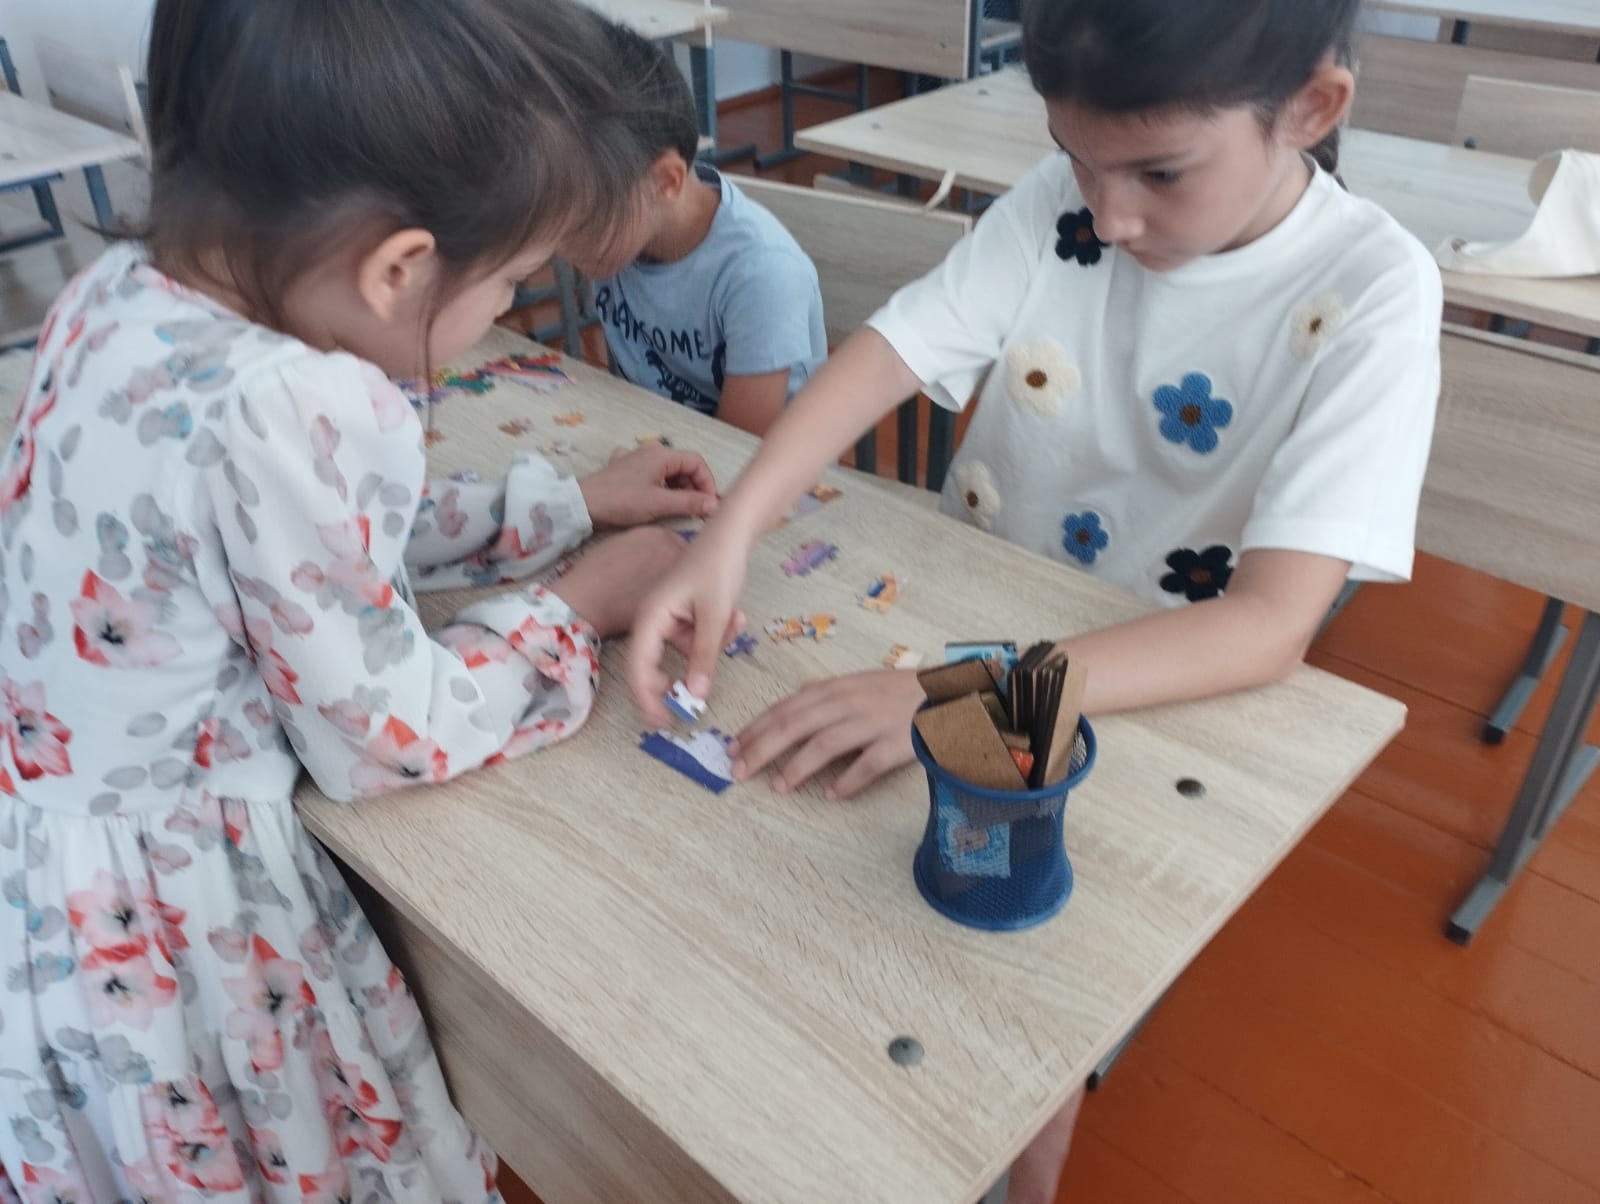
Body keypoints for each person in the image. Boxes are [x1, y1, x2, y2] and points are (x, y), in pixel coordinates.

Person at [626, 0, 1441, 1198]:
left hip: (1151, 692)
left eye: (1160, 172)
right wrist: (734, 526)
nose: (1106, 215)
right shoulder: (1065, 205)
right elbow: (889, 352)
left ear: (1311, 110)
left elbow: (1268, 626)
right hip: (968, 628)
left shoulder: (1375, 288)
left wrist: (959, 697)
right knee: (835, 915)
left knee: (1025, 1002)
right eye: (1075, 155)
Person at [0, 0, 719, 1195]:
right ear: (398, 269)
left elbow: (302, 542)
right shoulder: (287, 403)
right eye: (513, 281)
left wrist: (567, 502)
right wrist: (573, 607)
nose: (507, 310)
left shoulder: (119, 290)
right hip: (183, 931)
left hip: (56, 888)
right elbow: (385, 737)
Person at [565, 19, 828, 437]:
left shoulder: (763, 275)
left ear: (666, 182)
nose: (561, 245)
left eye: (580, 221)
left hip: (763, 466)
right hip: (660, 444)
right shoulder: (622, 230)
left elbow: (737, 450)